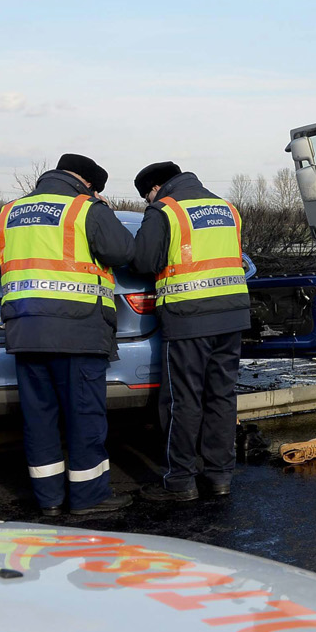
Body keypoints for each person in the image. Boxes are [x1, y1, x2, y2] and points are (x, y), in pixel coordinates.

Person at [0, 154, 134, 517]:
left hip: (25, 329)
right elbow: (123, 251)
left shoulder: (10, 212)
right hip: (78, 328)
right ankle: (89, 498)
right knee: (84, 414)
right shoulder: (86, 209)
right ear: (87, 183)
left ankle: (49, 499)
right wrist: (103, 211)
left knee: (39, 417)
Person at [130, 162, 250, 502]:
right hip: (231, 316)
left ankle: (180, 481)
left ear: (155, 188)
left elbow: (142, 261)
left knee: (183, 400)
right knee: (222, 397)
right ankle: (219, 476)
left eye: (147, 196)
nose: (148, 202)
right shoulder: (226, 207)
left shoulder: (165, 211)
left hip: (188, 318)